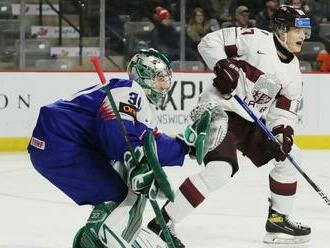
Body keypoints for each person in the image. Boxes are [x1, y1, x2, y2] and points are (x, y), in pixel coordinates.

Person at [148, 5, 312, 246]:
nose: (303, 36)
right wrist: (222, 65)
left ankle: (278, 220)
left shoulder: (294, 74)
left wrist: (282, 132)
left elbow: (282, 112)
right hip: (218, 109)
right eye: (298, 30)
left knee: (289, 155)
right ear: (280, 29)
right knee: (220, 171)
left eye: (304, 32)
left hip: (249, 121)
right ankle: (161, 223)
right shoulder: (254, 38)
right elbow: (208, 42)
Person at [27, 48, 223, 247]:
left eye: (166, 80)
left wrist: (184, 146)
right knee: (120, 194)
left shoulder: (135, 102)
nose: (165, 87)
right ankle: (100, 239)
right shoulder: (130, 89)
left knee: (117, 192)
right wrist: (132, 155)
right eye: (160, 79)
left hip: (57, 145)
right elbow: (113, 126)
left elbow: (150, 144)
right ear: (144, 76)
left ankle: (92, 239)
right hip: (63, 142)